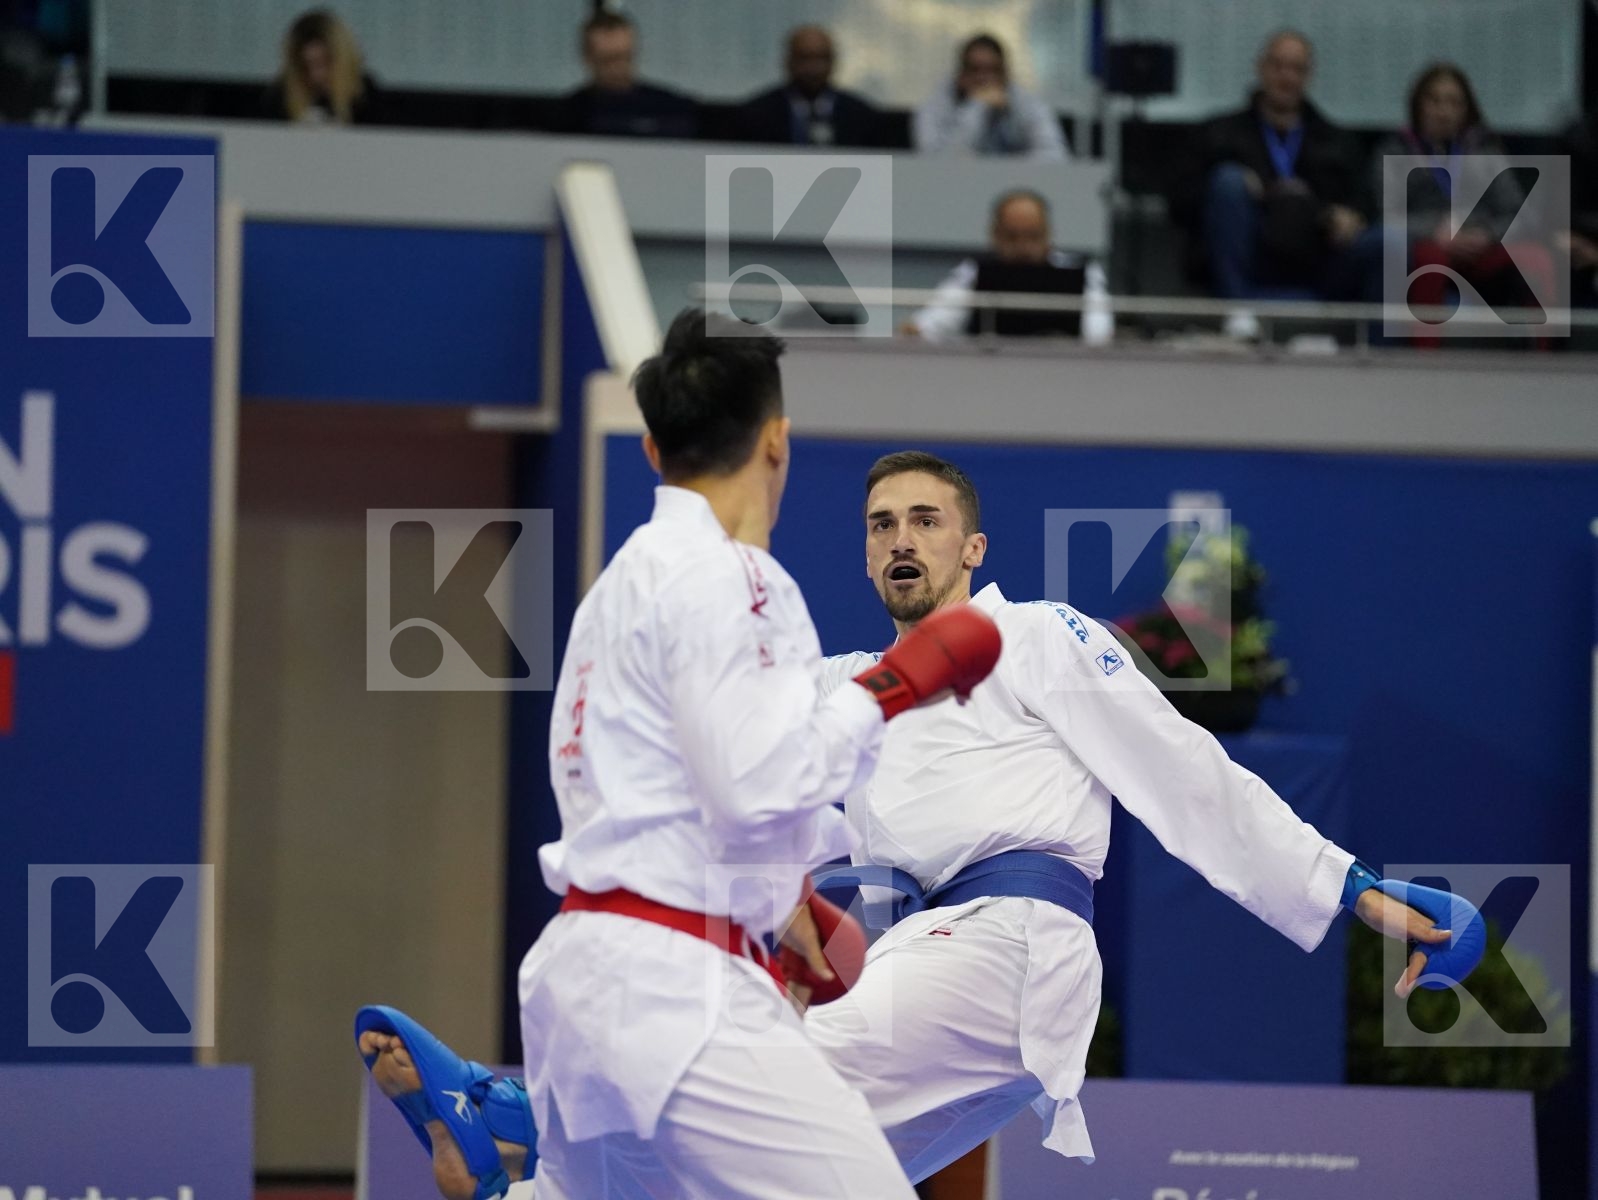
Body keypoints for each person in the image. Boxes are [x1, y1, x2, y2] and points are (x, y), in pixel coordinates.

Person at [360, 446, 1480, 1195]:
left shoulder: (1035, 635)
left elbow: (1185, 772)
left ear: (971, 547)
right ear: (864, 551)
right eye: (882, 523)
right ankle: (518, 1179)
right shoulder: (845, 687)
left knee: (761, 1078)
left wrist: (1351, 886)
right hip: (922, 955)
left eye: (926, 521)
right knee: (756, 1171)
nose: (903, 538)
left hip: (1009, 944)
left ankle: (514, 1110)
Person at [361, 313, 1000, 1199]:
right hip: (677, 984)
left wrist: (785, 904)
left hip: (576, 976)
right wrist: (893, 686)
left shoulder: (615, 589)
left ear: (654, 450)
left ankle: (496, 1163)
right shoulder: (740, 577)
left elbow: (676, 788)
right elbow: (755, 785)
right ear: (776, 441)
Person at [1173, 30, 1379, 339]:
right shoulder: (1219, 134)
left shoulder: (1337, 141)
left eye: (1296, 68)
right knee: (1228, 182)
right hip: (1250, 254)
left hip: (1319, 254)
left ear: (1309, 76)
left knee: (1386, 241)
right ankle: (1238, 313)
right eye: (1278, 66)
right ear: (1260, 69)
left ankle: (1384, 348)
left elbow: (1366, 202)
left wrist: (1351, 216)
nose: (1286, 77)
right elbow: (1178, 202)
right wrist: (1233, 187)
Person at [1374, 63, 1551, 345]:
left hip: (1482, 246)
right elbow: (1387, 216)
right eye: (1434, 101)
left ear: (1467, 109)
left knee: (1536, 259)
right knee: (1429, 260)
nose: (1443, 111)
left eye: (1454, 102)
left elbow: (1520, 214)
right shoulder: (1394, 151)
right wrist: (1434, 232)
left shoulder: (1486, 151)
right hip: (1426, 246)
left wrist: (1487, 234)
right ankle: (1425, 357)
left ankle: (1545, 357)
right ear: (1418, 105)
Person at [906, 189, 1113, 345]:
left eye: (1033, 236)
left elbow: (1099, 336)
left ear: (1049, 234)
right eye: (1012, 236)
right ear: (994, 235)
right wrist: (916, 330)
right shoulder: (974, 272)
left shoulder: (1082, 272)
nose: (1023, 246)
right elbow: (928, 326)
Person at [914, 33, 1067, 160]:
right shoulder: (934, 107)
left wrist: (1004, 168)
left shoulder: (1026, 103)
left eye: (992, 70)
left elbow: (1055, 156)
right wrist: (976, 106)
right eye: (975, 69)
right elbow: (938, 163)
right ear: (961, 74)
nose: (984, 78)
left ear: (1005, 73)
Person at [549, 9, 697, 139]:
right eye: (608, 60)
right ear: (588, 58)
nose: (618, 67)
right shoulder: (568, 116)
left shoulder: (670, 109)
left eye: (626, 57)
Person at [732, 25, 883, 148]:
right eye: (804, 58)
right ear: (788, 61)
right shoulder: (755, 115)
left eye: (821, 58)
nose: (813, 68)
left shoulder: (862, 116)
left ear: (833, 62)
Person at [260, 9, 382, 125]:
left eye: (326, 64)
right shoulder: (278, 99)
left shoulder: (370, 98)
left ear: (344, 61)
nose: (317, 76)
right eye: (305, 67)